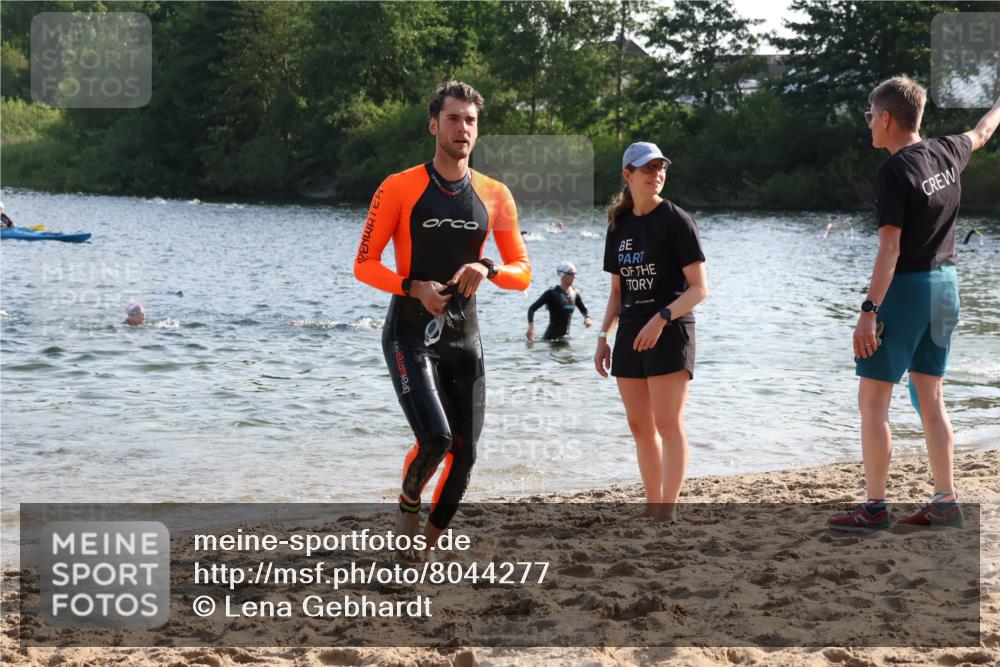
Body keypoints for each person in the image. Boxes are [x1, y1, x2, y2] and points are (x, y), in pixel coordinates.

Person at [353, 81, 531, 553]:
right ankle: (409, 499)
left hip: (463, 336)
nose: (462, 128)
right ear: (434, 125)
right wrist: (411, 286)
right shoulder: (398, 186)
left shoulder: (495, 194)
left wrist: (487, 266)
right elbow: (364, 263)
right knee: (435, 438)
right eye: (453, 119)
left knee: (465, 455)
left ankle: (423, 553)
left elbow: (523, 272)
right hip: (409, 332)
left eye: (470, 120)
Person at [828, 79, 1000, 532]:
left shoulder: (894, 171)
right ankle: (945, 501)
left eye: (870, 115)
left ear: (886, 119)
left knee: (872, 400)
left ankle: (874, 507)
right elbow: (983, 132)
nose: (868, 124)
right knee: (930, 395)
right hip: (948, 287)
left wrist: (868, 312)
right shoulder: (948, 150)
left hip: (908, 289)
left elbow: (889, 251)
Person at [594, 142, 708, 522]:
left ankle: (667, 509)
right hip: (629, 333)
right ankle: (651, 503)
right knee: (640, 426)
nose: (656, 174)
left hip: (669, 330)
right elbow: (616, 291)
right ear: (628, 175)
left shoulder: (677, 221)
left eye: (661, 167)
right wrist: (602, 338)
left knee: (667, 424)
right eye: (647, 168)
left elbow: (698, 289)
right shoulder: (618, 225)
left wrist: (661, 318)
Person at [526, 261, 592, 341]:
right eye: (571, 274)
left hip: (565, 339)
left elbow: (583, 309)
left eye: (575, 274)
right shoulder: (551, 293)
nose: (574, 277)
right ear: (562, 275)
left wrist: (587, 317)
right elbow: (532, 309)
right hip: (550, 340)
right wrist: (531, 327)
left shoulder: (575, 294)